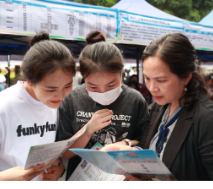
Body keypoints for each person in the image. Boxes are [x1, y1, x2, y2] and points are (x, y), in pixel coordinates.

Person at [102, 33, 213, 181]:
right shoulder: (158, 107)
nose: (152, 88)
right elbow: (147, 147)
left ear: (186, 77)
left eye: (161, 80)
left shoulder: (206, 119)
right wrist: (127, 151)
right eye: (147, 78)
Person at [56, 31, 150, 180]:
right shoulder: (71, 99)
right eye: (92, 87)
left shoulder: (135, 100)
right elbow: (66, 153)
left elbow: (145, 143)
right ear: (83, 78)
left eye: (111, 85)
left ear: (121, 74)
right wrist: (88, 129)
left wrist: (126, 144)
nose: (103, 92)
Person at [0, 32, 76, 181]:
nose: (61, 96)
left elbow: (52, 151)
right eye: (51, 89)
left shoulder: (53, 103)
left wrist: (59, 167)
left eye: (68, 85)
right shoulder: (4, 107)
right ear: (29, 80)